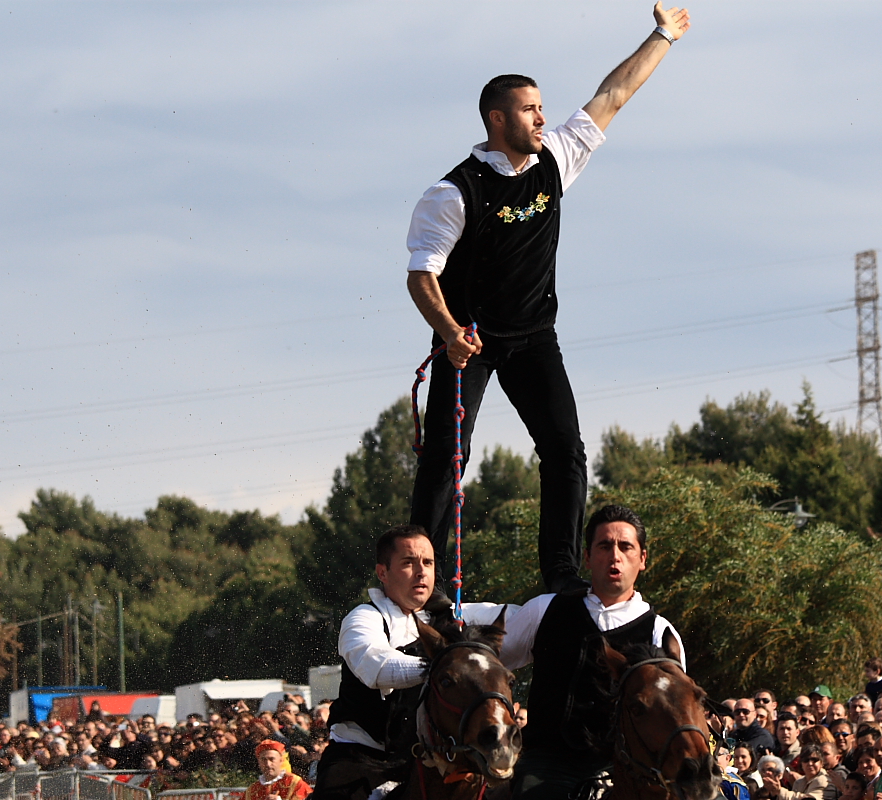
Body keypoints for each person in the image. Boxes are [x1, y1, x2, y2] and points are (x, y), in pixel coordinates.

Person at [405, 1, 691, 594]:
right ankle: (418, 581)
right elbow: (421, 276)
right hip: (471, 344)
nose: (542, 119)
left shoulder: (553, 160)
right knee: (445, 461)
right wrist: (451, 332)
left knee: (565, 450)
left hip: (535, 339)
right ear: (496, 119)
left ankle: (560, 572)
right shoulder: (452, 193)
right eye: (530, 110)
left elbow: (613, 95)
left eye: (541, 108)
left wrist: (662, 35)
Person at [499, 505, 686, 800]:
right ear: (587, 557)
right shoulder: (544, 609)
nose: (615, 556)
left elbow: (673, 715)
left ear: (643, 559)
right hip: (547, 766)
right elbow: (490, 667)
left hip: (626, 768)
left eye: (626, 547)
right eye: (604, 546)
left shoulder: (660, 633)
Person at [311, 524, 504, 800]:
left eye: (428, 562)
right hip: (358, 762)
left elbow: (524, 625)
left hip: (429, 762)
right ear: (383, 573)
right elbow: (376, 667)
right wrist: (443, 670)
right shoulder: (362, 618)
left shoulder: (456, 618)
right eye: (408, 563)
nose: (421, 571)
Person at [245, 740, 311, 800]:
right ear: (259, 762)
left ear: (281, 760)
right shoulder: (252, 790)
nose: (268, 764)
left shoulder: (296, 783)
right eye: (263, 760)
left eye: (272, 759)